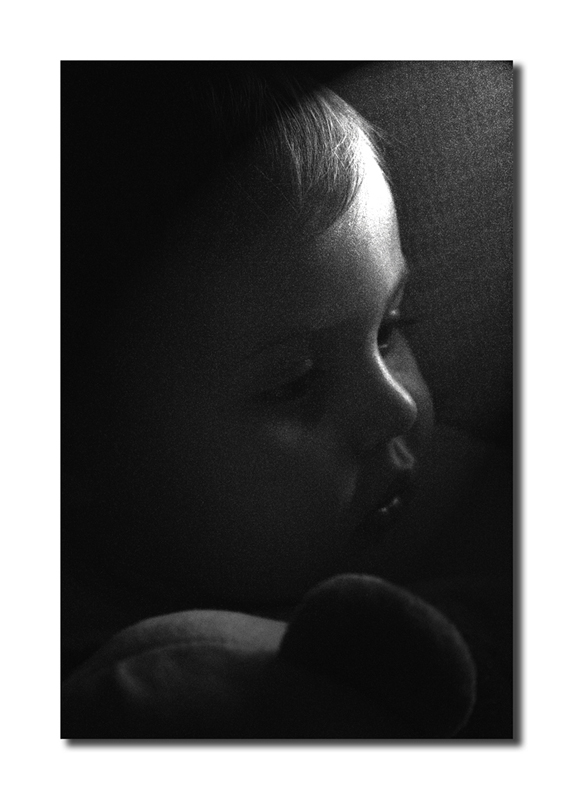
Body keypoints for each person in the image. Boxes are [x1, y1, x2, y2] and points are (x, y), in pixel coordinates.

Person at [61, 62, 513, 739]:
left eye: (389, 329)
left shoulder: (487, 513)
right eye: (295, 384)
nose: (398, 409)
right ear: (78, 452)